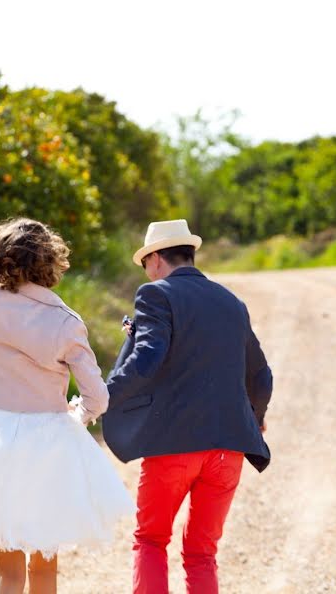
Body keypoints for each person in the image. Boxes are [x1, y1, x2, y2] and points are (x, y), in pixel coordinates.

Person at [0, 130, 135, 594]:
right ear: (50, 261)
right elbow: (98, 396)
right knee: (44, 572)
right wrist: (78, 414)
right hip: (49, 444)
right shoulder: (67, 323)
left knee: (7, 574)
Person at [103, 219, 273, 594]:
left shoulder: (155, 294)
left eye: (145, 262)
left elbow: (147, 359)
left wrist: (103, 395)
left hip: (173, 447)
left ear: (156, 259)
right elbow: (261, 377)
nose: (146, 272)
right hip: (229, 449)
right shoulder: (232, 303)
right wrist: (256, 418)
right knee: (201, 553)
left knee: (150, 541)